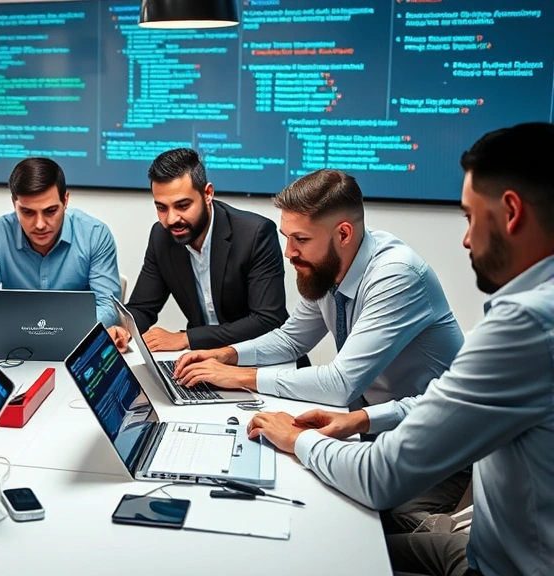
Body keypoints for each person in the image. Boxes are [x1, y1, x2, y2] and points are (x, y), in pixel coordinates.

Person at [247, 122, 554, 576]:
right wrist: (362, 418)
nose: (466, 239)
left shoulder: (525, 322)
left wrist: (297, 439)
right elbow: (445, 398)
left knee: (322, 552)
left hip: (493, 564)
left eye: (470, 217)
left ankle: (436, 525)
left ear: (510, 212)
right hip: (487, 538)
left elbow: (379, 477)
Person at [174, 168, 463, 411]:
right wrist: (225, 355)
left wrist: (237, 376)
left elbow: (341, 384)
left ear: (343, 234)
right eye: (287, 237)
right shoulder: (328, 268)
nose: (289, 252)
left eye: (300, 239)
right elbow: (291, 340)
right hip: (372, 419)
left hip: (433, 442)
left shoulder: (397, 276)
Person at [108, 148, 288, 352]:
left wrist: (187, 339)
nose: (171, 219)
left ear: (208, 194)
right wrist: (124, 330)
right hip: (203, 358)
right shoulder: (161, 236)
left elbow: (267, 320)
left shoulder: (255, 234)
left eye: (182, 206)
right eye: (161, 208)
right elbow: (142, 308)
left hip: (257, 355)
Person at [0, 157, 121, 327]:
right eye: (27, 212)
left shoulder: (95, 234)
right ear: (14, 204)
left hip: (80, 343)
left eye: (50, 211)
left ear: (66, 200)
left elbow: (108, 308)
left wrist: (60, 330)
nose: (40, 224)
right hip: (17, 342)